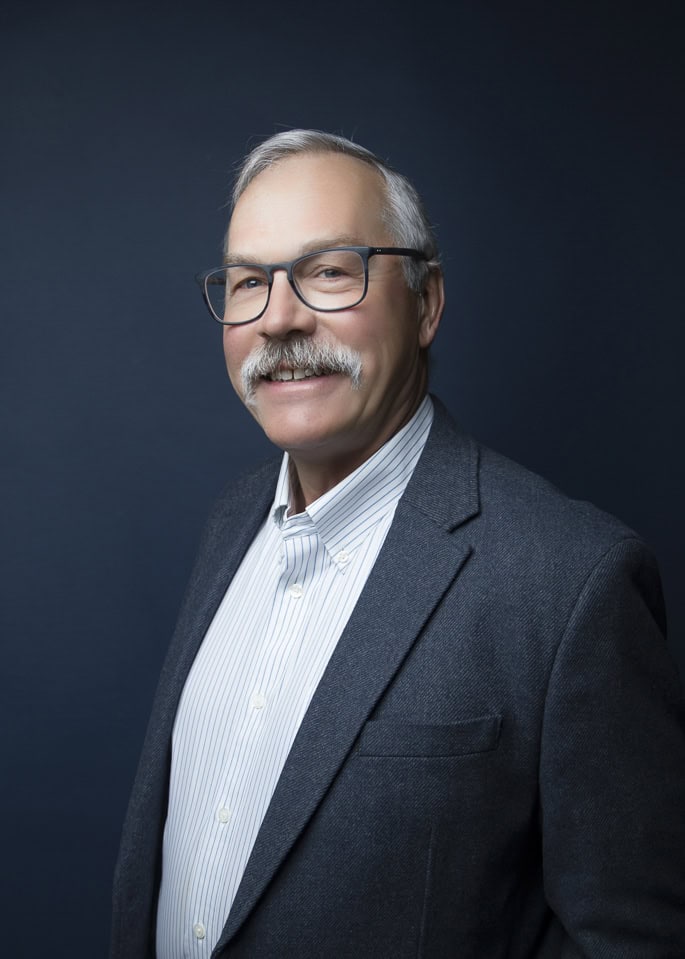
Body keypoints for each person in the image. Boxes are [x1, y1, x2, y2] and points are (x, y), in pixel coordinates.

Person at [111, 130, 685, 959]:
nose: (278, 317)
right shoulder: (230, 523)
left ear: (426, 303)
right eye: (247, 282)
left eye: (329, 270)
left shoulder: (570, 582)